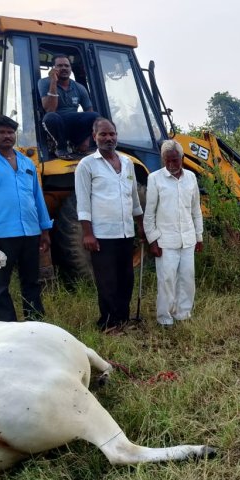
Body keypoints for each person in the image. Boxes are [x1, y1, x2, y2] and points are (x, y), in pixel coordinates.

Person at [0, 114, 53, 321]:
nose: (7, 136)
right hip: (2, 235)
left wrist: (44, 231)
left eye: (10, 132)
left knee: (31, 281)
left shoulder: (26, 163)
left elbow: (37, 198)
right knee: (1, 285)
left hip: (30, 232)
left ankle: (35, 325)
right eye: (1, 132)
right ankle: (7, 328)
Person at [75, 118, 144, 333]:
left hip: (125, 232)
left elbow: (134, 198)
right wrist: (88, 234)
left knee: (126, 279)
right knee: (107, 281)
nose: (109, 138)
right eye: (103, 134)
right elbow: (83, 202)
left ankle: (123, 319)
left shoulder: (127, 163)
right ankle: (108, 323)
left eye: (112, 134)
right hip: (102, 235)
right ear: (94, 136)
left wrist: (141, 226)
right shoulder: (86, 165)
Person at [144, 140, 204, 326]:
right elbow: (149, 213)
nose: (171, 165)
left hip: (188, 239)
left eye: (175, 160)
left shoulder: (191, 178)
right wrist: (152, 240)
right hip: (165, 241)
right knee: (167, 280)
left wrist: (199, 236)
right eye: (167, 161)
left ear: (182, 158)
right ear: (162, 159)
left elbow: (196, 210)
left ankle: (183, 315)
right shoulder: (154, 178)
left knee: (187, 279)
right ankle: (164, 318)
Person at [38, 55, 100, 159]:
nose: (63, 68)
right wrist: (53, 81)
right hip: (54, 126)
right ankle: (60, 148)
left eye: (66, 66)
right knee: (51, 117)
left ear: (70, 68)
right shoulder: (44, 83)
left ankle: (76, 144)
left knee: (95, 116)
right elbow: (50, 109)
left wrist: (86, 140)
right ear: (53, 68)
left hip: (73, 126)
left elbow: (89, 112)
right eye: (59, 66)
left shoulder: (79, 88)